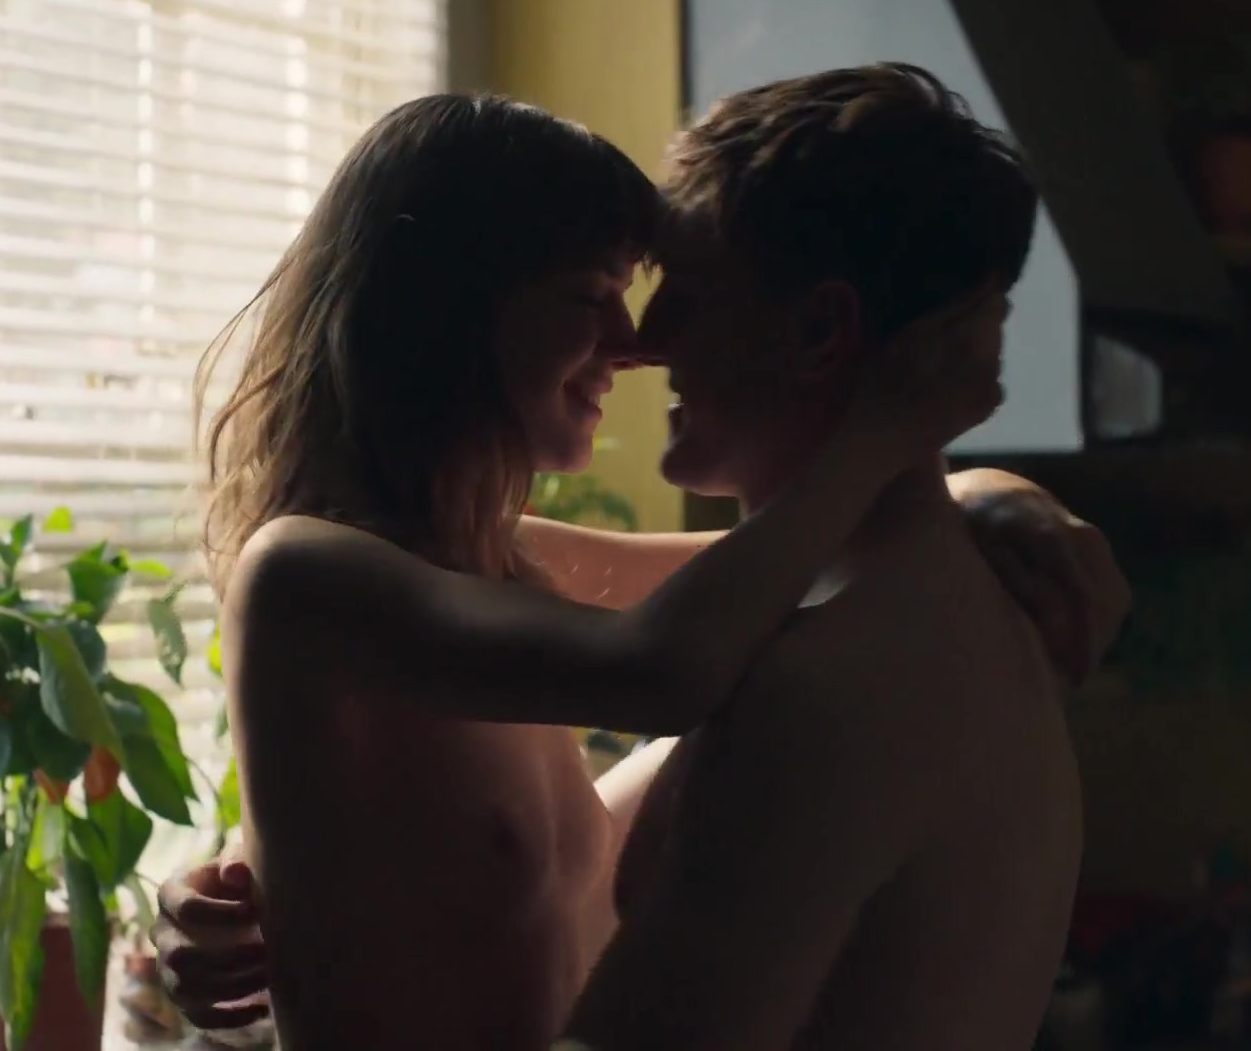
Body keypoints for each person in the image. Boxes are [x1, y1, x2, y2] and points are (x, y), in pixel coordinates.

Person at [170, 87, 1125, 1049]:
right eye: (594, 297)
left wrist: (985, 494)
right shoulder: (301, 572)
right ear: (452, 305)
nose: (636, 344)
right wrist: (884, 434)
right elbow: (664, 666)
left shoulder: (508, 561)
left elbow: (779, 574)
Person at [556, 63, 1085, 1050]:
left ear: (816, 332)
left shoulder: (826, 686)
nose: (645, 339)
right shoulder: (920, 605)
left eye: (688, 290)